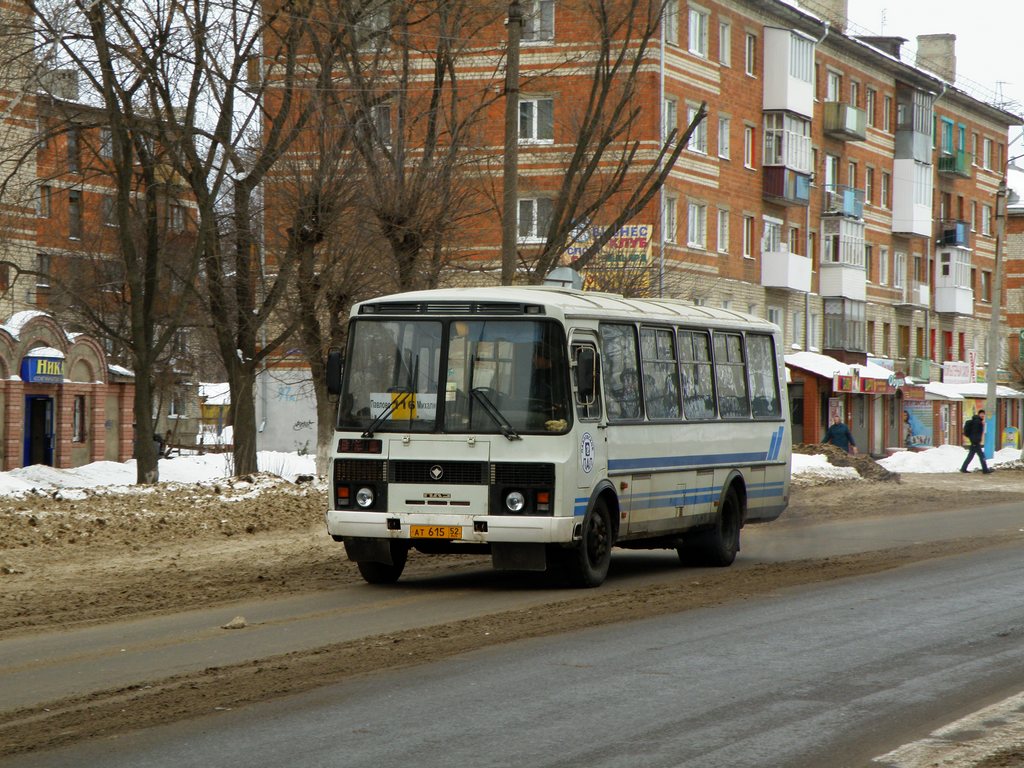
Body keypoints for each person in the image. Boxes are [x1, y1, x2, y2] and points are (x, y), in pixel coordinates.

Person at [960, 409, 993, 474]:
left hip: (974, 442)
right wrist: (975, 441)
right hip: (975, 442)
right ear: (979, 414)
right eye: (982, 415)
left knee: (970, 456)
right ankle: (985, 470)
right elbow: (975, 433)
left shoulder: (976, 421)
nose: (983, 416)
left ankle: (963, 468)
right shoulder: (977, 422)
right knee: (981, 456)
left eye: (983, 415)